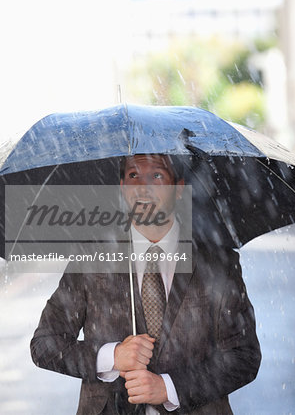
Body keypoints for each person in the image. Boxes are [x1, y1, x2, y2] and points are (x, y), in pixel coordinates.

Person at [30, 154, 261, 415]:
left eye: (157, 175)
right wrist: (111, 357)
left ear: (180, 189)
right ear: (122, 187)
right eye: (133, 175)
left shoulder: (218, 262)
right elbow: (45, 344)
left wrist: (170, 388)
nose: (143, 186)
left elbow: (244, 355)